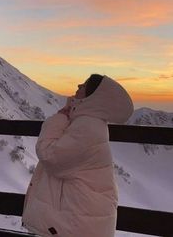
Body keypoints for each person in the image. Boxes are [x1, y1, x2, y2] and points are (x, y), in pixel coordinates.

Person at [22, 74, 134, 237]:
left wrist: (60, 118)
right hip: (80, 214)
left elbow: (49, 155)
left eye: (84, 85)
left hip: (77, 219)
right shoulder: (89, 122)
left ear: (94, 95)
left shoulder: (87, 126)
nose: (79, 85)